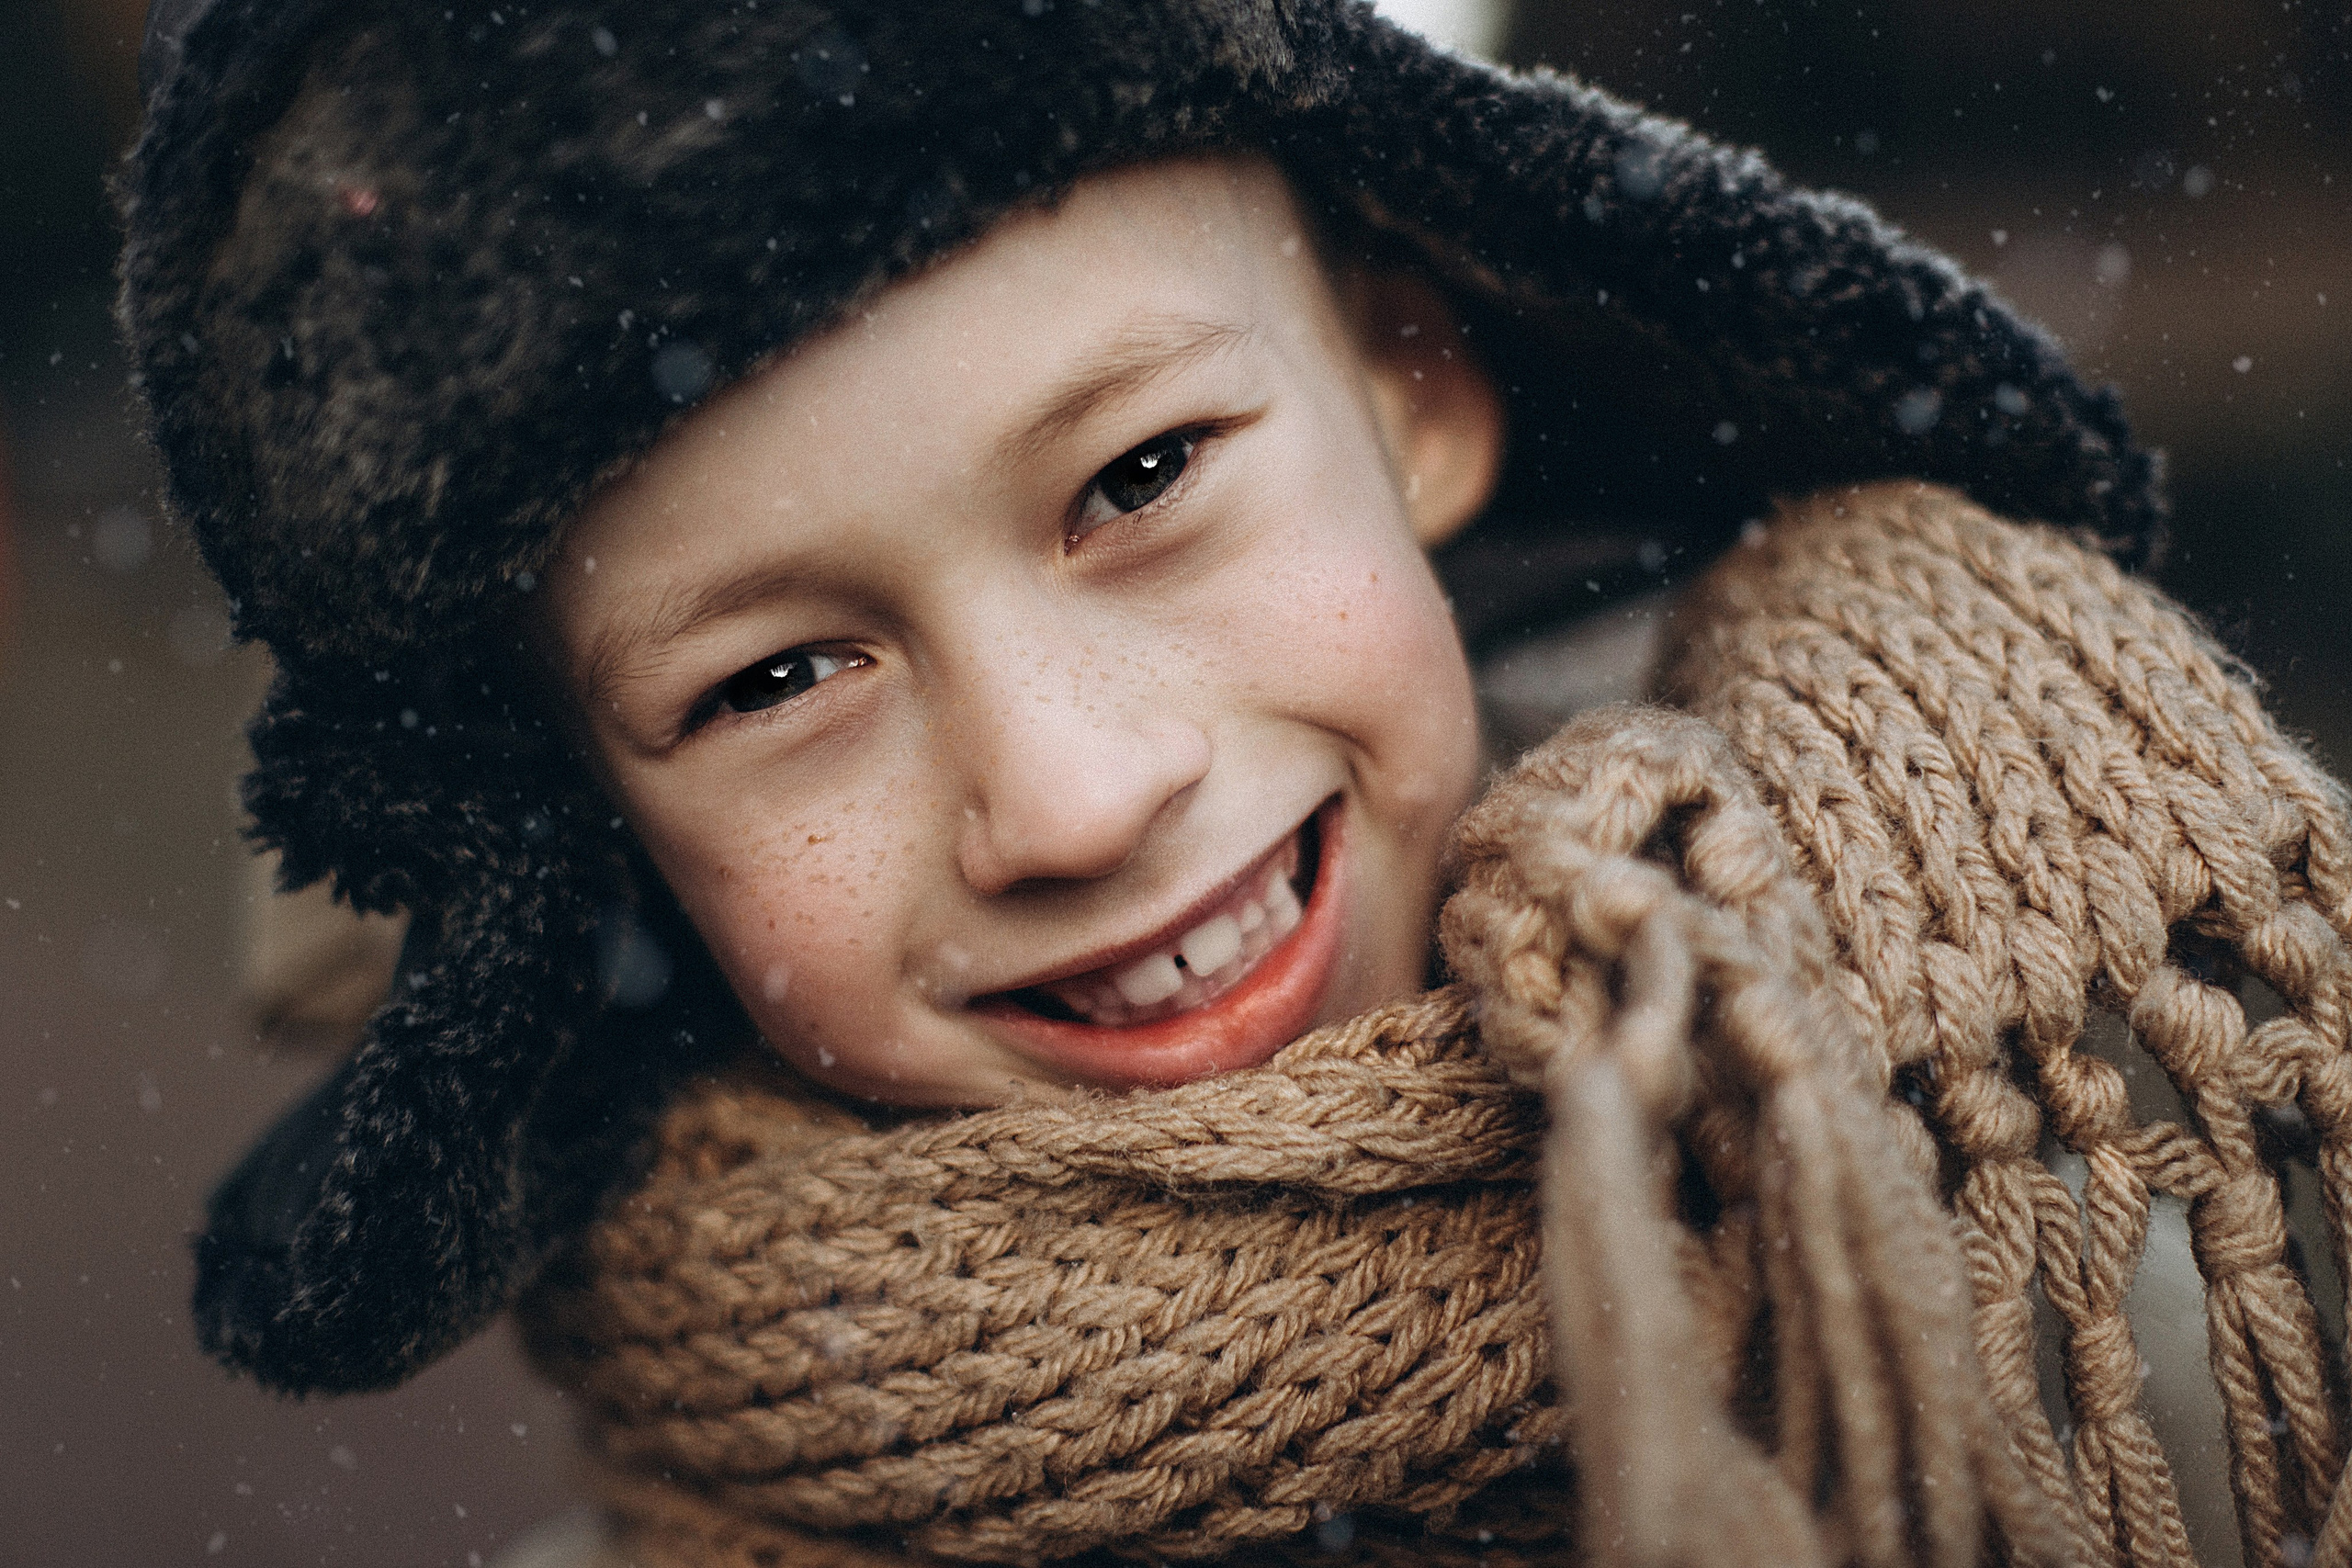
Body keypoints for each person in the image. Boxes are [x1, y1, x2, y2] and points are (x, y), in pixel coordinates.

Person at [125, 3, 2345, 1564]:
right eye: (777, 671)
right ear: (583, 824)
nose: (1074, 798)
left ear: (1412, 387)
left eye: (1142, 475)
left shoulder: (2161, 1186)